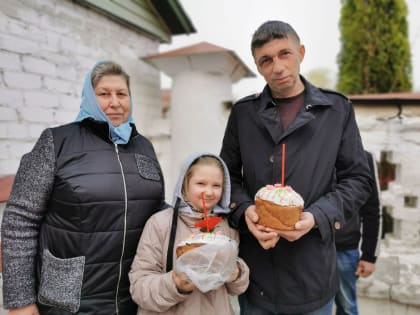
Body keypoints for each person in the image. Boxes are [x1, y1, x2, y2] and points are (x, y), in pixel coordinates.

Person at [220, 20, 373, 315]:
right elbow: (226, 178)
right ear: (257, 66)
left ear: (301, 52)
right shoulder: (243, 114)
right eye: (266, 60)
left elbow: (357, 179)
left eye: (284, 54)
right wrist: (245, 211)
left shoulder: (336, 109)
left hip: (313, 275)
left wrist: (317, 217)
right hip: (257, 276)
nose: (277, 67)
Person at [1, 61, 167, 315]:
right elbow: (20, 220)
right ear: (89, 97)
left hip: (133, 295)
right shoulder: (56, 142)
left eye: (121, 94)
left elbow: (157, 210)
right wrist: (20, 300)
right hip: (70, 300)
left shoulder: (142, 146)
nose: (115, 102)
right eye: (104, 93)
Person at [129, 152, 250, 315]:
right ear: (185, 184)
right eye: (201, 183)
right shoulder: (160, 224)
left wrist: (237, 274)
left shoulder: (227, 225)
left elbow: (237, 288)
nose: (209, 192)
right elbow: (139, 288)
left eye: (216, 185)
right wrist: (175, 284)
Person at [335, 150, 381, 315]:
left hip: (345, 250)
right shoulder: (313, 151)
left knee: (347, 308)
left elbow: (373, 210)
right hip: (310, 248)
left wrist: (369, 255)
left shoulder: (364, 157)